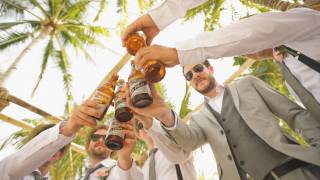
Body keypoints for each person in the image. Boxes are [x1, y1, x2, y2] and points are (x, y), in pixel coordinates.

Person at [121, 1, 320, 119]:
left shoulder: (309, 19)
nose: (244, 51)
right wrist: (158, 18)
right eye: (188, 74)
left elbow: (259, 30)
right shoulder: (288, 62)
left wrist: (179, 53)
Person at [126, 60, 320, 180]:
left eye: (198, 68)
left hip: (294, 173)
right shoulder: (199, 118)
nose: (195, 75)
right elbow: (188, 142)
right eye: (189, 75)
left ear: (210, 68)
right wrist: (163, 113)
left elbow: (293, 114)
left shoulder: (247, 84)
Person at [134, 114, 196, 180]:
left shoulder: (176, 145)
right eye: (140, 125)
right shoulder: (144, 168)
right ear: (138, 135)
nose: (145, 126)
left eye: (148, 120)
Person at [0, 123, 71, 180]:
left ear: (58, 155)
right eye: (45, 146)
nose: (50, 152)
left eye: (56, 148)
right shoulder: (8, 171)